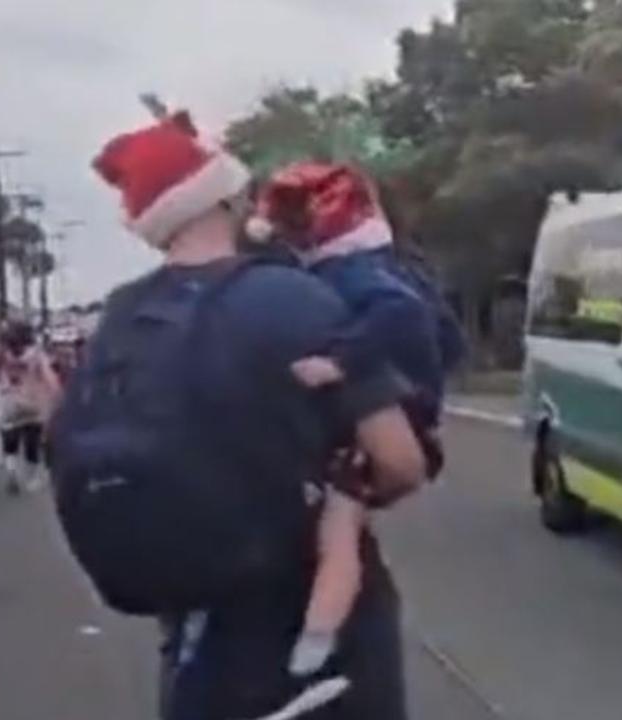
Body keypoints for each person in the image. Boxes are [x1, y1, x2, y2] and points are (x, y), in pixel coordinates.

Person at [64, 110, 426, 720]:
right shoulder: (293, 298)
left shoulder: (120, 318)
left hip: (194, 622)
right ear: (225, 194)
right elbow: (400, 461)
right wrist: (349, 494)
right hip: (308, 611)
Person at [248, 164, 460, 679]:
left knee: (338, 529)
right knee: (342, 522)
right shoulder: (392, 265)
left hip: (400, 413)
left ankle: (317, 639)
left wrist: (341, 362)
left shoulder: (351, 274)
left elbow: (401, 316)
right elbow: (449, 338)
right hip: (414, 408)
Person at [0, 321, 60, 495]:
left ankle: (12, 473)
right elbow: (49, 378)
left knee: (10, 441)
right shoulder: (37, 355)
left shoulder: (2, 354)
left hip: (9, 402)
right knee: (32, 442)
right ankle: (31, 479)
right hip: (33, 403)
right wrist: (57, 396)